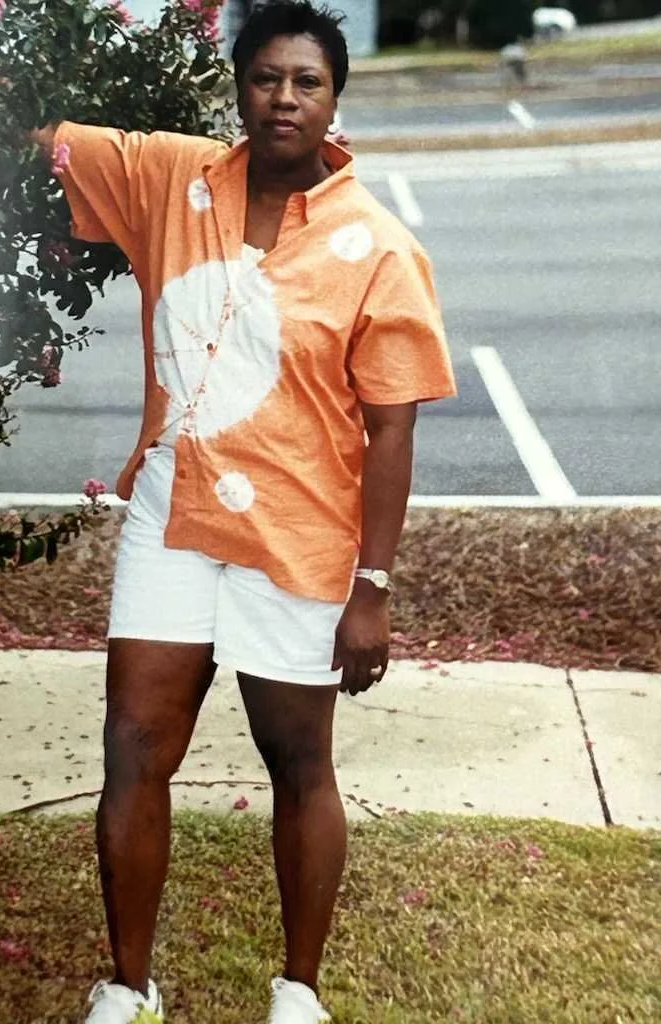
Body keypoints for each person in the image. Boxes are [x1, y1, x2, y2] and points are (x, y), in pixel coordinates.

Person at [33, 2, 456, 1021]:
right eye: (266, 77)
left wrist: (373, 588)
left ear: (335, 99)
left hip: (298, 539)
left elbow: (391, 431)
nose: (284, 98)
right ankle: (128, 986)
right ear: (238, 89)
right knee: (134, 745)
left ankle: (297, 991)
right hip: (172, 514)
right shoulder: (170, 180)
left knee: (299, 761)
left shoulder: (379, 247)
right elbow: (44, 139)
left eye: (307, 82)